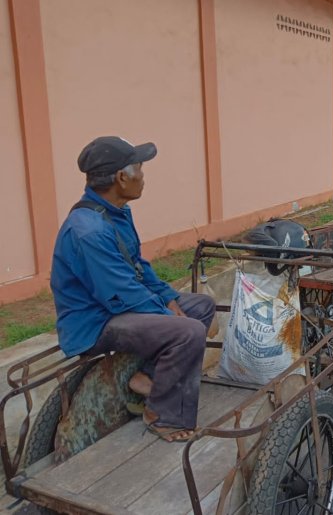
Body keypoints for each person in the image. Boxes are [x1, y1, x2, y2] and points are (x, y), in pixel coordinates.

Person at [50, 136, 216, 442]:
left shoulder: (115, 212)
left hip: (115, 306)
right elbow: (120, 294)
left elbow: (137, 266)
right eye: (139, 169)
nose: (144, 177)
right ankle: (164, 417)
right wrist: (168, 315)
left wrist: (167, 298)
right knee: (188, 330)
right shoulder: (89, 231)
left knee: (201, 307)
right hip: (94, 322)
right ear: (121, 178)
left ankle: (149, 378)